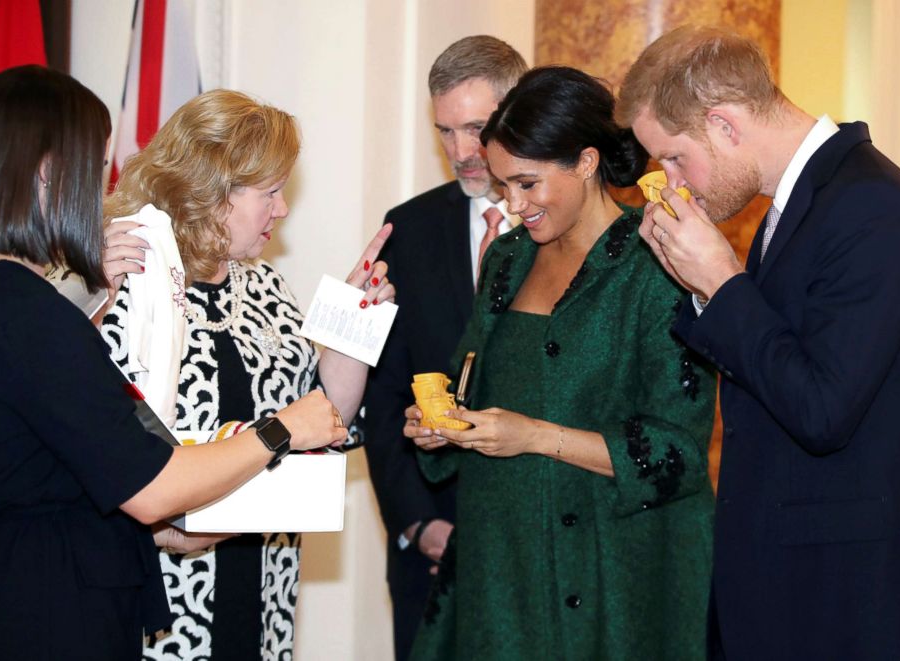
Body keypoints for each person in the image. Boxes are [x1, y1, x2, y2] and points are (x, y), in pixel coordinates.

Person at [0, 66, 346, 661]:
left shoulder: (15, 302)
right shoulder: (32, 311)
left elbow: (98, 469)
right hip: (45, 611)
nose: (100, 194)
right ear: (49, 173)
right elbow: (148, 487)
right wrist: (281, 431)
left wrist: (192, 521)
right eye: (95, 169)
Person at [618, 25, 900, 660]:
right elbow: (769, 368)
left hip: (844, 600)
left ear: (724, 124)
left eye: (674, 157)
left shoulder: (874, 205)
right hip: (784, 583)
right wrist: (702, 286)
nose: (672, 179)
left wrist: (720, 280)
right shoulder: (796, 204)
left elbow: (822, 410)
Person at [403, 66, 717, 660]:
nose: (514, 206)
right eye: (503, 187)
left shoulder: (659, 266)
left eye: (528, 183)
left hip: (610, 577)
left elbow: (677, 454)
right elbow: (467, 380)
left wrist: (536, 436)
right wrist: (440, 425)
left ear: (587, 162)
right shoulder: (507, 259)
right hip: (499, 573)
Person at [100, 89, 395, 660]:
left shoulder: (263, 285)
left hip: (264, 582)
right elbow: (107, 448)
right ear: (212, 192)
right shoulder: (128, 284)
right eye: (271, 191)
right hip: (166, 588)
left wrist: (353, 329)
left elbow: (320, 417)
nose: (282, 209)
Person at [362, 35, 527, 659]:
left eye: (476, 129)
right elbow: (384, 394)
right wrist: (419, 525)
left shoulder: (569, 228)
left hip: (542, 548)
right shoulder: (408, 227)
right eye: (445, 132)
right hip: (432, 550)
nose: (461, 152)